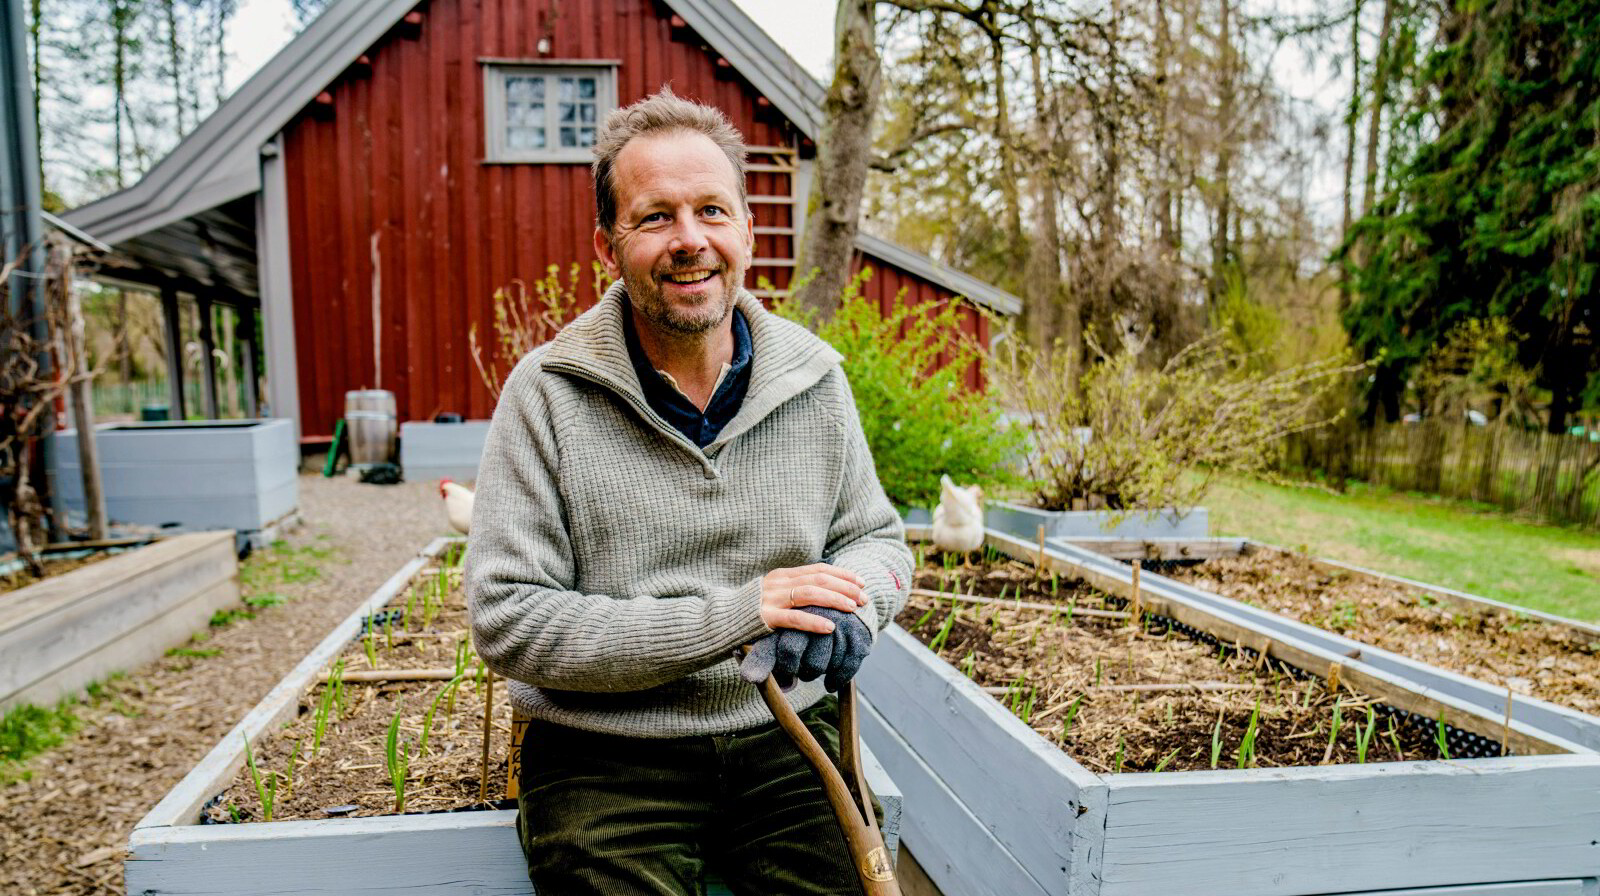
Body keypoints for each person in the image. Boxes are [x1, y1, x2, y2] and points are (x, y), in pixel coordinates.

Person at [464, 87, 912, 895]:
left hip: (780, 729)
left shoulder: (813, 379)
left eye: (711, 210)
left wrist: (859, 605)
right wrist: (732, 616)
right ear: (608, 246)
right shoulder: (547, 394)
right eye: (655, 217)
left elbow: (877, 540)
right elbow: (508, 620)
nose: (689, 241)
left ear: (746, 228)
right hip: (605, 751)